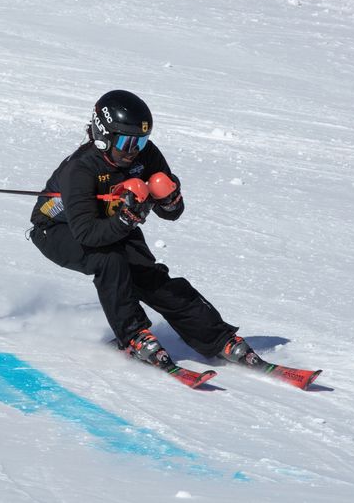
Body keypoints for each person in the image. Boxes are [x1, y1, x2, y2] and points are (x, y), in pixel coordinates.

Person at [29, 89, 257, 370]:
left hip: (112, 221)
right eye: (125, 141)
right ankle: (133, 335)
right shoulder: (80, 169)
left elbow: (170, 210)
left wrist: (171, 202)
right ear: (104, 136)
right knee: (109, 261)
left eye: (141, 141)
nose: (133, 150)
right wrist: (125, 220)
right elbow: (87, 234)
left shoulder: (145, 156)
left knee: (148, 275)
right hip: (58, 228)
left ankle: (216, 336)